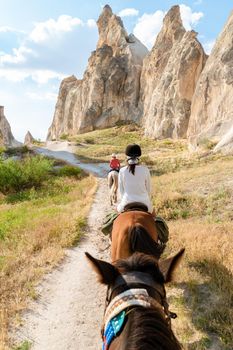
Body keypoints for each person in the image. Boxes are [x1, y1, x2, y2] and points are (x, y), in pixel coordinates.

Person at [117, 144, 154, 214]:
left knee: (115, 217)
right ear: (139, 156)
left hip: (126, 202)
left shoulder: (122, 171)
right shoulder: (145, 170)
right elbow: (148, 189)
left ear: (127, 156)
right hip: (144, 202)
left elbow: (121, 191)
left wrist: (122, 201)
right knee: (155, 219)